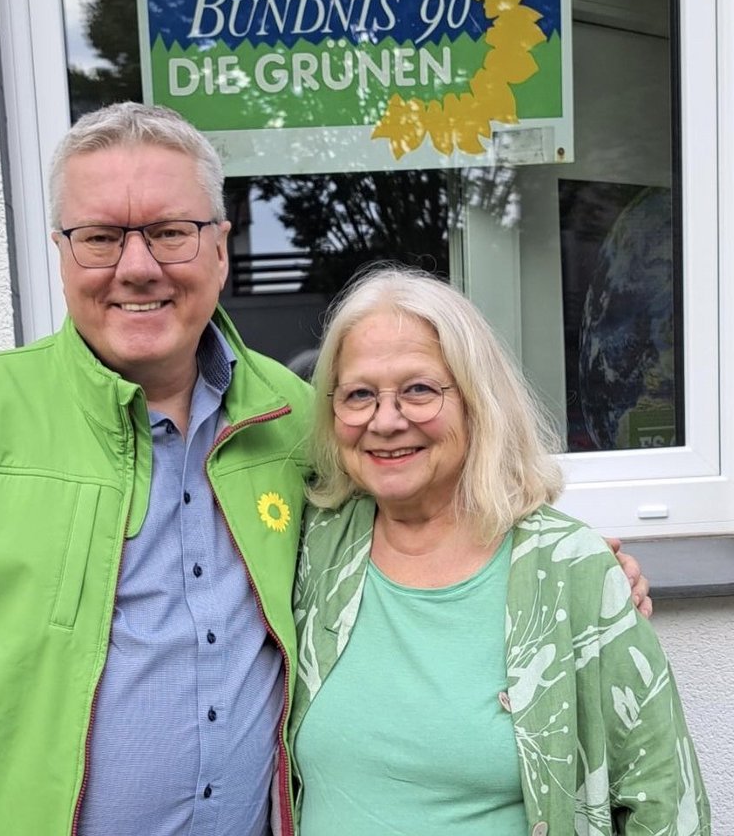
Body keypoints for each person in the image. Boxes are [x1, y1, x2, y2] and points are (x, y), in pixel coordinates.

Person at [0, 102, 650, 836]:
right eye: (101, 237)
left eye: (170, 232)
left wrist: (563, 569)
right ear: (61, 252)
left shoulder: (297, 416)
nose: (137, 266)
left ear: (220, 247)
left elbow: (420, 516)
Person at [290, 265, 709, 835]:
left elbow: (665, 805)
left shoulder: (570, 571)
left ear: (477, 401)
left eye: (418, 390)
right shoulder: (315, 550)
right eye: (359, 394)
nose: (385, 421)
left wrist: (604, 586)